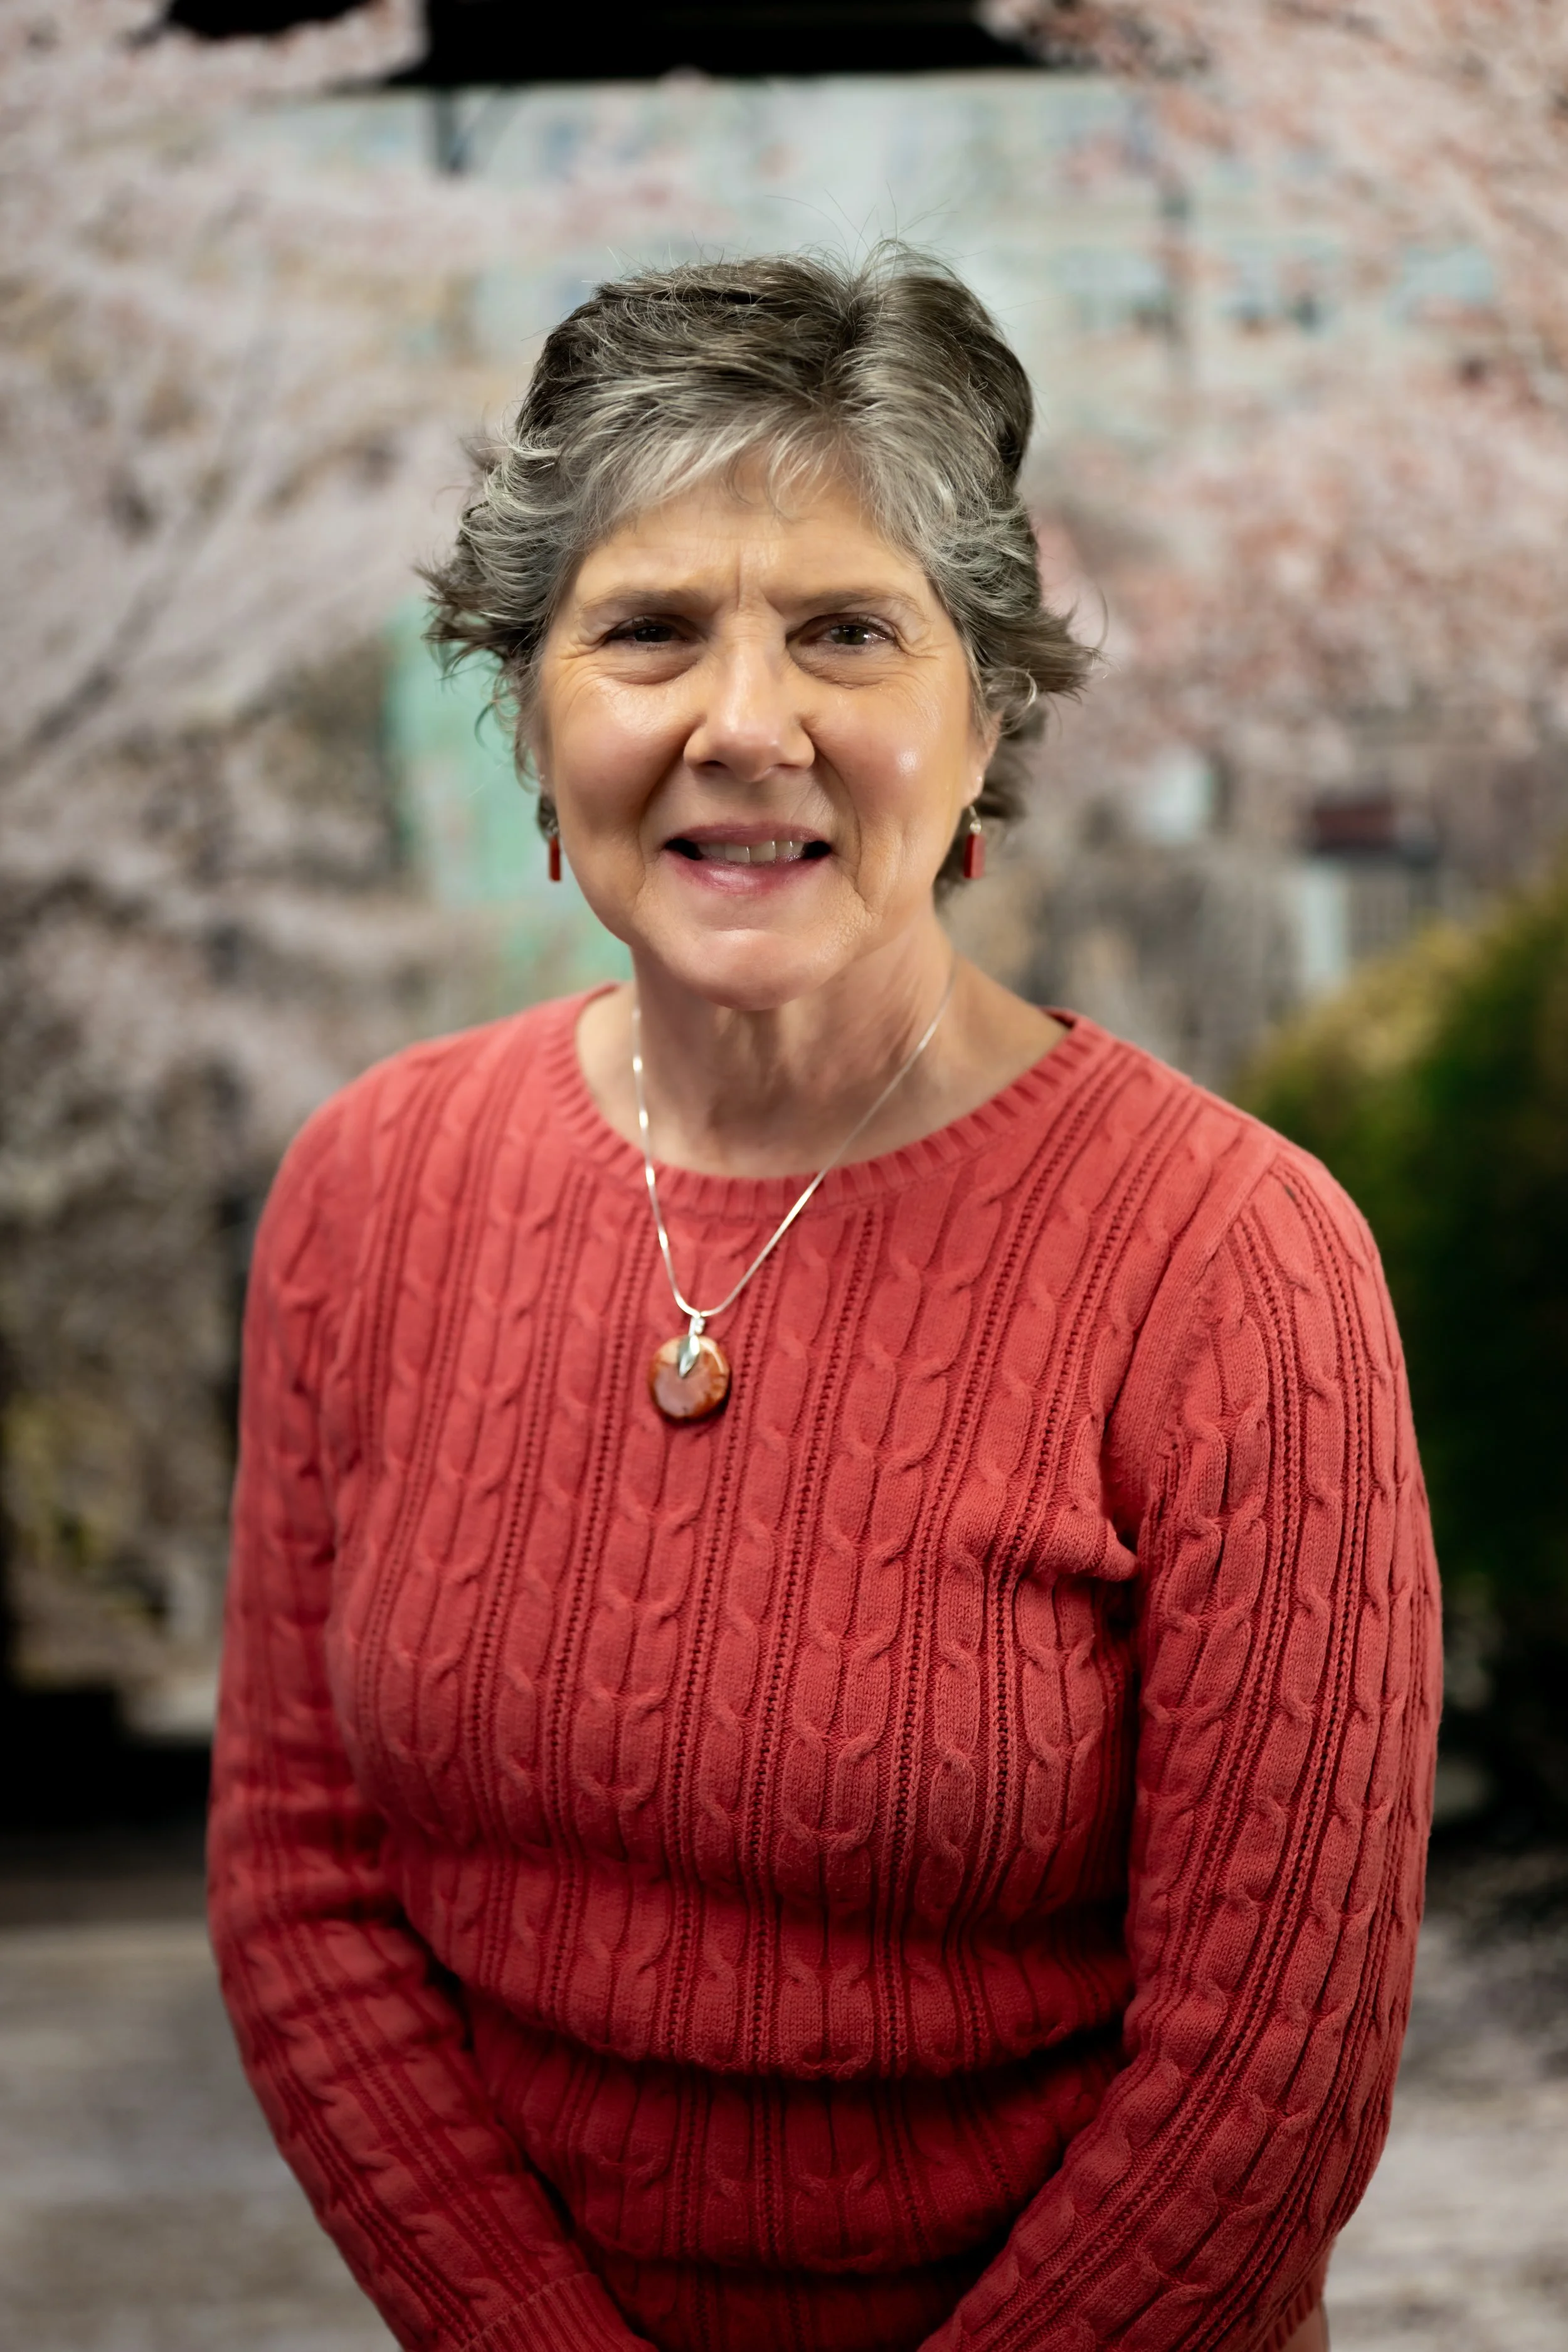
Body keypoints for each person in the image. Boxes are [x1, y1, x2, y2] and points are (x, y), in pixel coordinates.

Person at [209, 248, 1439, 2352]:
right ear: (529, 698)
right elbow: (303, 1890)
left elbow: (1268, 2071)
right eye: (651, 630)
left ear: (988, 704)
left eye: (847, 632)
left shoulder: (1236, 1261)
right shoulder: (371, 1190)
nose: (745, 725)